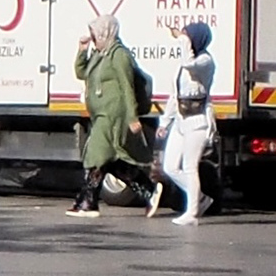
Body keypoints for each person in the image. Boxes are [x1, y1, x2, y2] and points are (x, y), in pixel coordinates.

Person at [73, 18, 149, 215]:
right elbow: (81, 73)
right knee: (109, 160)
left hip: (113, 114)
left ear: (107, 32)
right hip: (100, 115)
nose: (94, 38)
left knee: (96, 155)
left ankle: (88, 203)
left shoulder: (119, 55)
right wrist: (82, 50)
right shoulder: (101, 55)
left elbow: (127, 86)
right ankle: (149, 189)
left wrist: (132, 117)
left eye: (96, 34)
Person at [150, 18, 218, 222]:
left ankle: (192, 212)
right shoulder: (183, 64)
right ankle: (200, 199)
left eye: (189, 35)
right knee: (170, 167)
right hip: (180, 120)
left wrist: (182, 39)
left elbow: (189, 64)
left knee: (190, 167)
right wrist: (165, 122)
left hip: (197, 121)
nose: (183, 38)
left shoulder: (205, 61)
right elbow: (175, 95)